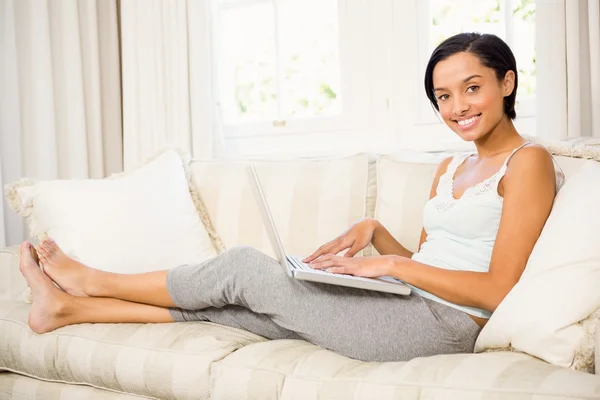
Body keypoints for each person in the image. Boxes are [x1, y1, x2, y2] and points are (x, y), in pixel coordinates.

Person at [17, 32, 563, 362]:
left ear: (506, 83)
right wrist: (377, 234)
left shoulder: (529, 162)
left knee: (243, 271)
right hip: (410, 302)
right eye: (444, 96)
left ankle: (93, 281)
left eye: (472, 87)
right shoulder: (450, 167)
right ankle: (68, 309)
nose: (458, 106)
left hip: (447, 326)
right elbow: (428, 262)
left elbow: (498, 290)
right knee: (241, 309)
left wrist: (391, 264)